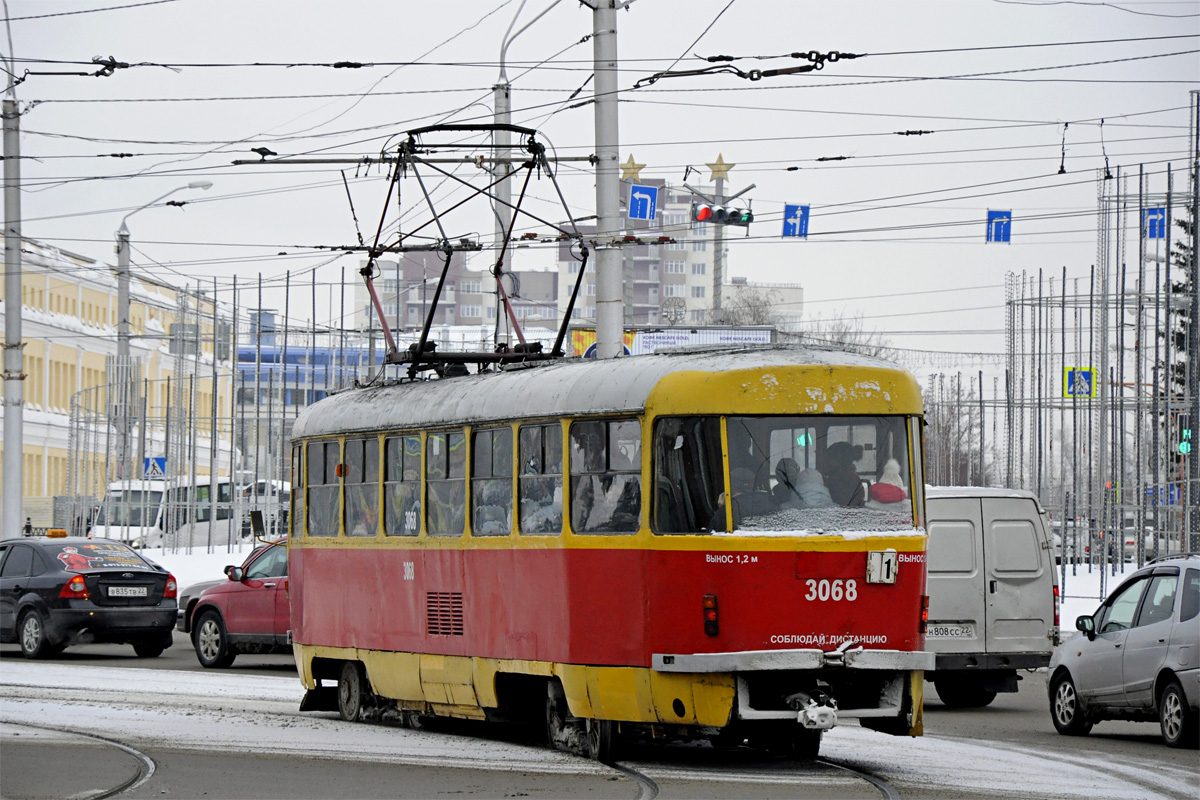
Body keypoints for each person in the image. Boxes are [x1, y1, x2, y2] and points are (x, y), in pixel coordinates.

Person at [709, 467, 777, 531]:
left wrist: (722, 509)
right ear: (756, 486)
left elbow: (713, 534)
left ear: (731, 486)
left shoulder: (727, 512)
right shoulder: (773, 508)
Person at [823, 441, 865, 507]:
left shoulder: (841, 479)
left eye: (829, 459)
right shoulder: (852, 476)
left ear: (840, 460)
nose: (827, 462)